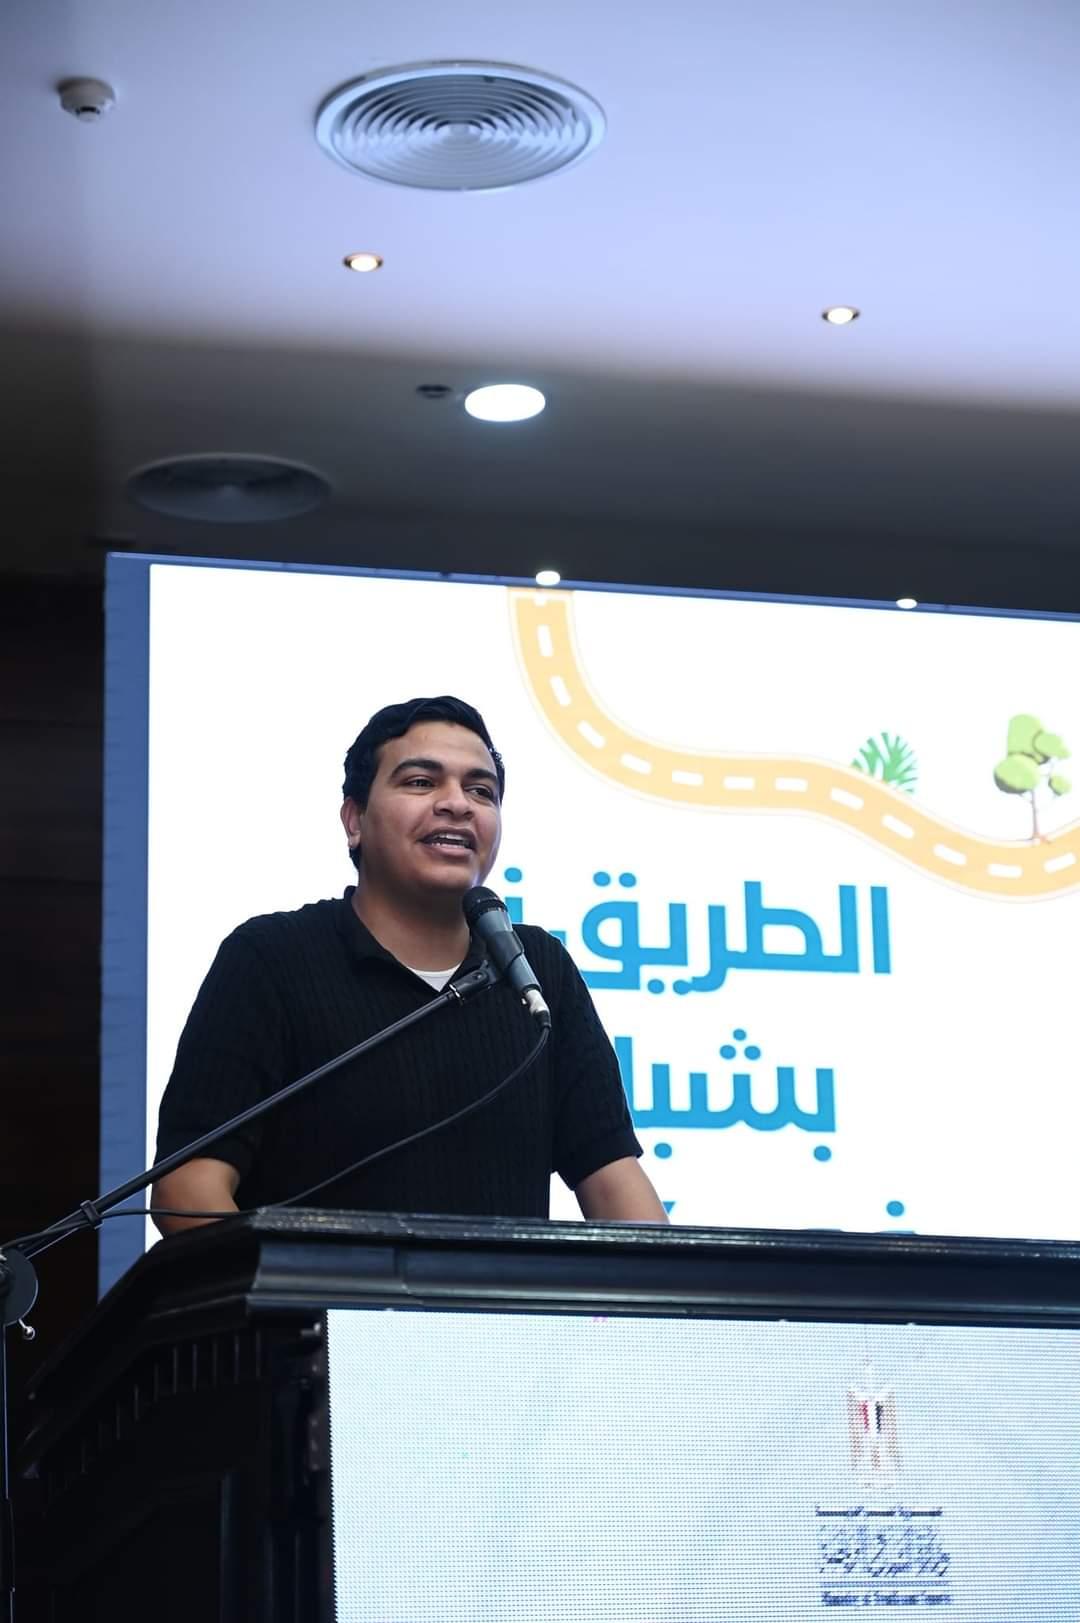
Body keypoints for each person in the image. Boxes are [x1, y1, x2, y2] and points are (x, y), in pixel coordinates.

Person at [152, 695, 667, 1233]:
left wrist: (676, 1283)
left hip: (500, 1293)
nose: (458, 804)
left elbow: (614, 1180)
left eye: (481, 791)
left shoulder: (537, 970)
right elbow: (187, 1187)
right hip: (316, 1292)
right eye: (422, 782)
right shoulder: (271, 957)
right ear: (355, 819)